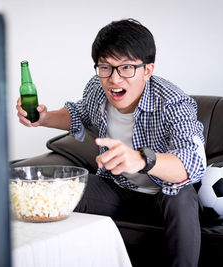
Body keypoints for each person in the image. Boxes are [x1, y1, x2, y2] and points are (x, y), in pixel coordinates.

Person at [16, 18, 207, 267]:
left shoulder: (173, 102)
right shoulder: (97, 87)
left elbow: (194, 162)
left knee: (181, 194)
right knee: (45, 189)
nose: (115, 79)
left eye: (126, 68)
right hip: (119, 189)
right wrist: (44, 118)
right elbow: (81, 113)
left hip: (165, 193)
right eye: (106, 67)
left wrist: (141, 159)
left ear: (147, 70)